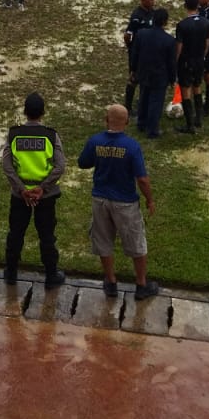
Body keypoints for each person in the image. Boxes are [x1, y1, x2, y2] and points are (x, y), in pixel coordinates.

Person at [78, 104, 159, 299]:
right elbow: (142, 179)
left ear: (106, 120)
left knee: (103, 242)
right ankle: (141, 285)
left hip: (100, 200)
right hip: (125, 203)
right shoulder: (132, 146)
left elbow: (83, 163)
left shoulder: (95, 141)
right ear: (127, 122)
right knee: (136, 244)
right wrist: (149, 199)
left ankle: (111, 283)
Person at [1, 92, 67, 289]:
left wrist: (22, 190)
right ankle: (51, 275)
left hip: (19, 196)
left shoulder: (14, 134)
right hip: (45, 196)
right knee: (47, 235)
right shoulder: (50, 135)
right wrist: (41, 188)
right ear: (43, 112)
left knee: (16, 234)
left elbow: (7, 165)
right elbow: (60, 166)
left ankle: (11, 273)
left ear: (24, 111)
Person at [131, 8, 177, 138]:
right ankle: (152, 130)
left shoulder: (141, 34)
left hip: (143, 72)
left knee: (143, 98)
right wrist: (173, 79)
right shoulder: (169, 40)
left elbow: (135, 54)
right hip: (160, 76)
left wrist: (133, 70)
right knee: (155, 103)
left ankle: (141, 123)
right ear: (165, 22)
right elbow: (171, 63)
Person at [174, 0, 209, 133]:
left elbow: (179, 48)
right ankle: (199, 120)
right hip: (199, 60)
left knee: (185, 90)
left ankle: (189, 125)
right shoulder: (206, 23)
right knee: (197, 86)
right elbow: (207, 44)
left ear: (185, 5)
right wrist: (201, 57)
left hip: (186, 62)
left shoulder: (182, 25)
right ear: (198, 5)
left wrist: (175, 63)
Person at [122, 0, 157, 115]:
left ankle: (142, 102)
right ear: (143, 0)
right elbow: (127, 35)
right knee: (134, 77)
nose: (154, 2)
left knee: (146, 77)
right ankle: (128, 106)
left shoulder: (153, 12)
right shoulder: (136, 16)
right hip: (138, 53)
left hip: (149, 52)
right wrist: (131, 47)